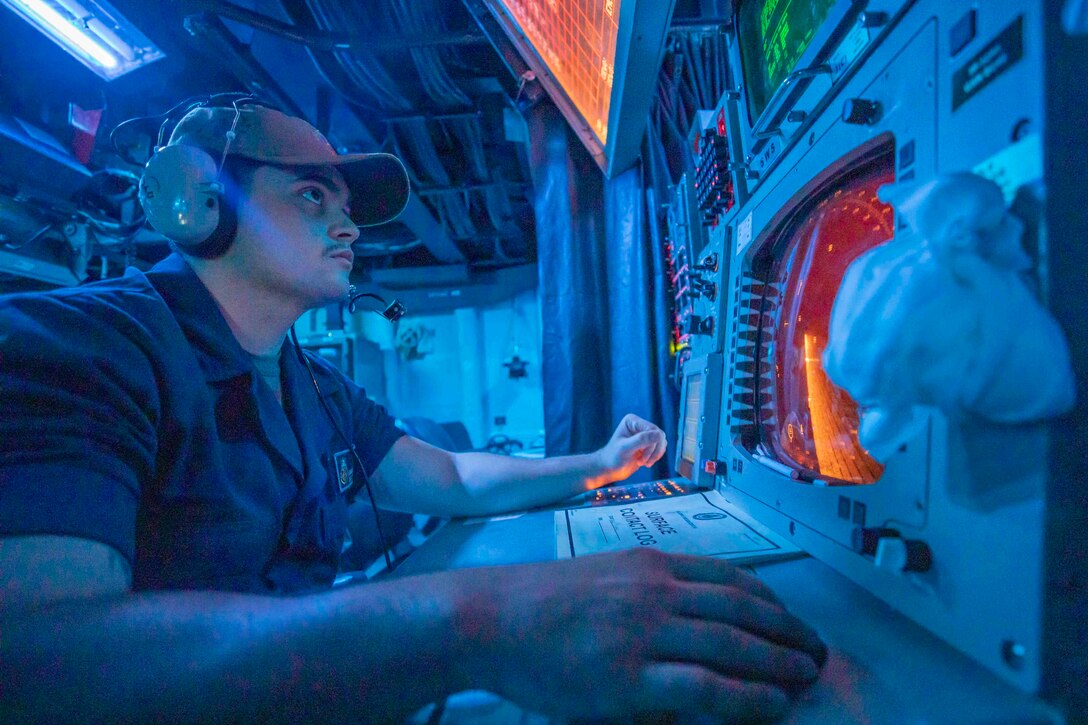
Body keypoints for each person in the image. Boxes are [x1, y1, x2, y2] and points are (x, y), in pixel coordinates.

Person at [0, 102, 826, 722]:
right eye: (314, 196)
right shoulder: (77, 346)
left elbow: (455, 473)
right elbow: (38, 658)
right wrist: (476, 619)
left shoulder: (312, 386)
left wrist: (602, 463)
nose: (348, 225)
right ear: (196, 201)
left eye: (346, 207)